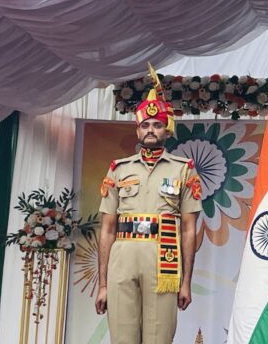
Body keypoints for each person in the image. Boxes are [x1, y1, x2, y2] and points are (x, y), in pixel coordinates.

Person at [95, 80, 202, 344]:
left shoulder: (184, 169)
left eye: (157, 124)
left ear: (167, 130)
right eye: (145, 125)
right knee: (122, 336)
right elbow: (107, 229)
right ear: (137, 130)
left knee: (159, 336)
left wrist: (186, 282)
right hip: (123, 255)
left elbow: (189, 229)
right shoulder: (119, 169)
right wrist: (103, 284)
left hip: (163, 256)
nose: (151, 130)